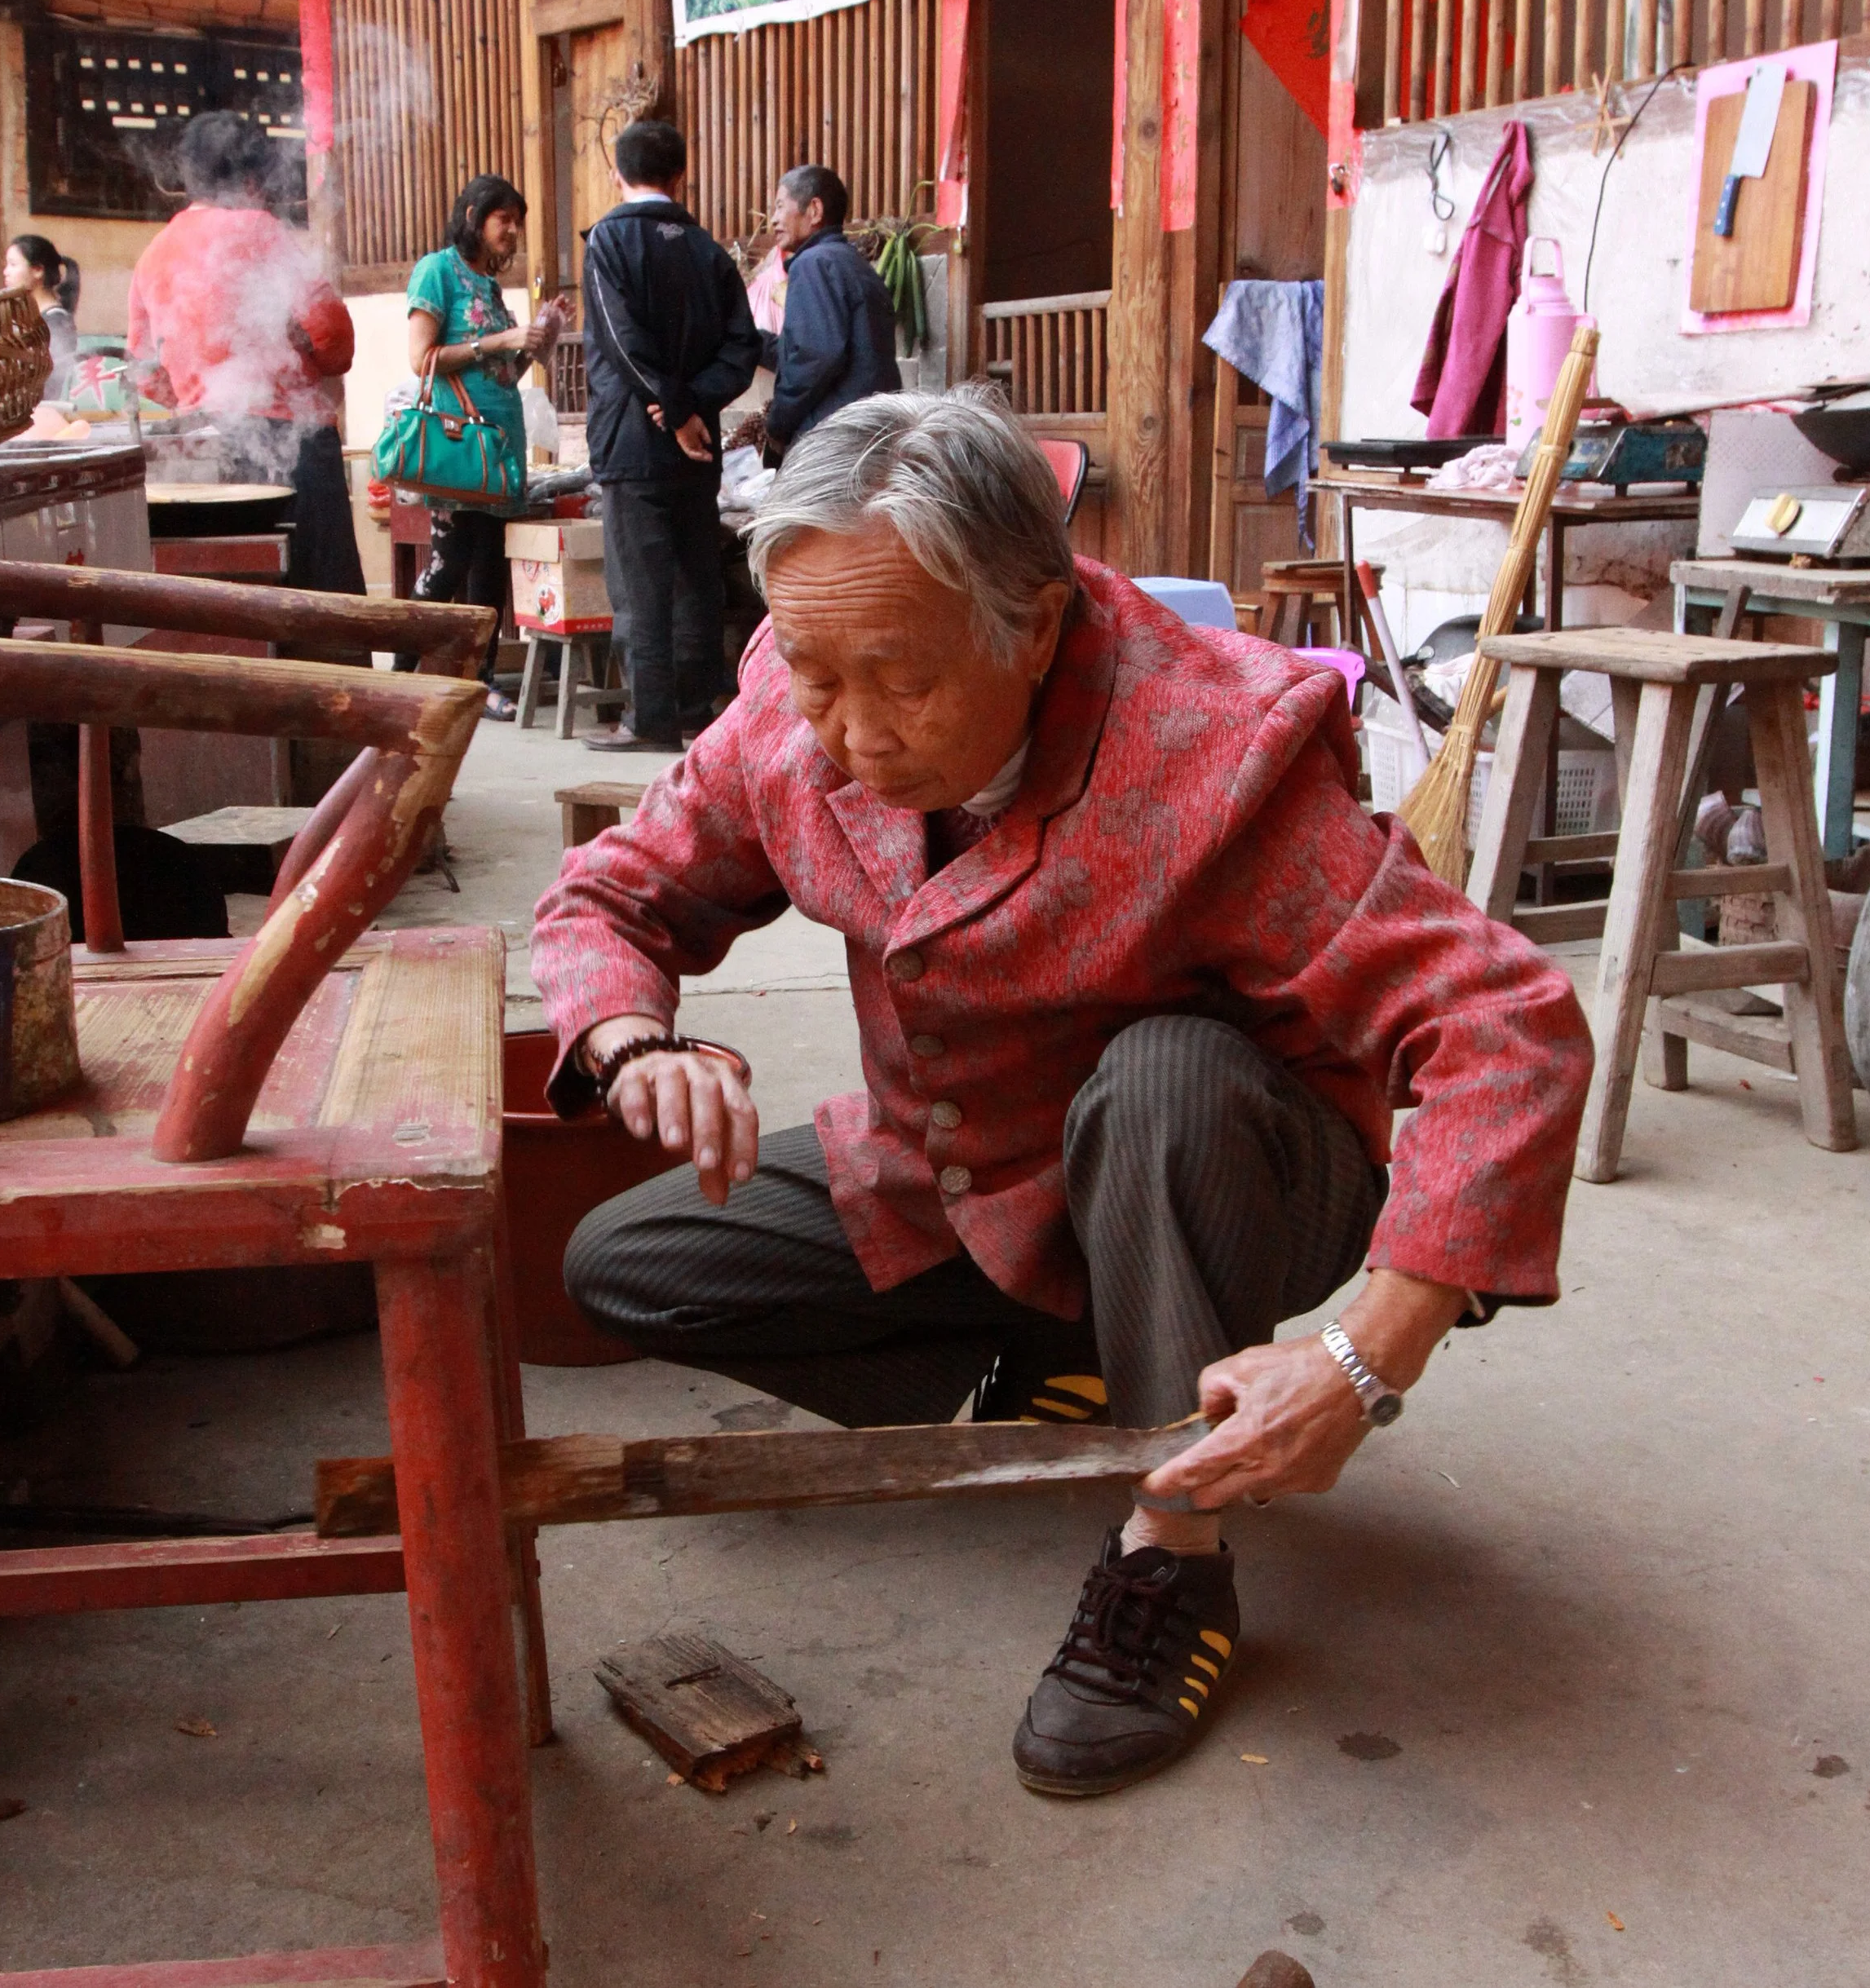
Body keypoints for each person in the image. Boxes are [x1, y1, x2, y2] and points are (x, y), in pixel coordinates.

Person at [533, 387, 1593, 1801]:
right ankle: (1055, 1363)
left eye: (899, 678)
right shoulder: (800, 702)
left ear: (1032, 627)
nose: (846, 729)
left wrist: (1362, 1355)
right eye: (811, 668)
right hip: (966, 1168)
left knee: (1165, 1081)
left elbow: (1507, 1023)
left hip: (1227, 1166)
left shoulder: (1211, 749)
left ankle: (1177, 1553)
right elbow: (614, 889)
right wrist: (631, 1037)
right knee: (627, 1265)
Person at [126, 111, 365, 595]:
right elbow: (334, 338)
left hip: (204, 446)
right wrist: (309, 357)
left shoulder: (155, 251)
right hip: (291, 443)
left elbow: (145, 370)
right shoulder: (262, 231)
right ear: (254, 179)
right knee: (321, 602)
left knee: (232, 596)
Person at [579, 118, 759, 754]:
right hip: (699, 443)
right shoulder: (708, 250)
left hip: (633, 440)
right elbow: (744, 346)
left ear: (617, 175)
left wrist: (670, 404)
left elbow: (618, 341)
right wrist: (695, 405)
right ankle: (694, 711)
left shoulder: (606, 241)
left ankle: (649, 718)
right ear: (681, 176)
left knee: (639, 585)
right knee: (694, 577)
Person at [403, 174, 534, 721]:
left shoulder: (489, 285)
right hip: (458, 444)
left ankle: (481, 682)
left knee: (488, 566)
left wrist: (531, 346)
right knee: (450, 561)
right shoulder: (438, 271)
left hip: (499, 442)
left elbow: (502, 372)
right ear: (474, 216)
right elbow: (421, 358)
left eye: (517, 223)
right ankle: (402, 673)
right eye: (504, 220)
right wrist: (501, 340)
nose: (513, 232)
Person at [754, 165, 900, 455]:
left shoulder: (814, 263)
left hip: (838, 439)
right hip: (872, 429)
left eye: (780, 207)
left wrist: (778, 424)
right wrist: (752, 341)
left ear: (815, 210)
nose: (773, 220)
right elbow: (818, 347)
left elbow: (815, 356)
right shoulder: (853, 265)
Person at [5, 234, 80, 397]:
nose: (6, 272)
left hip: (44, 410)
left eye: (13, 264)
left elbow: (48, 379)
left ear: (38, 270)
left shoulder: (56, 322)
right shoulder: (34, 318)